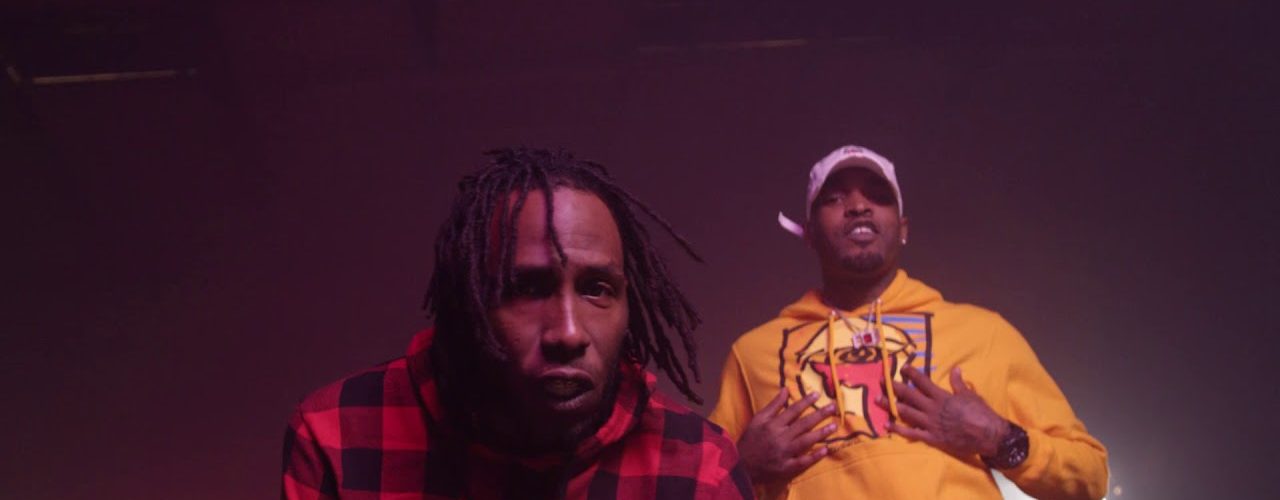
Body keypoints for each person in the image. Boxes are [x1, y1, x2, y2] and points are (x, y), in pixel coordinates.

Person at [283, 148, 752, 500]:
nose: (568, 333)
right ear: (466, 303)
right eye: (527, 288)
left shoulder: (698, 466)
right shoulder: (339, 434)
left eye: (596, 289)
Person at [708, 145, 1108, 499]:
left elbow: (1090, 477)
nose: (858, 206)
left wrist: (996, 437)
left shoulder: (983, 333)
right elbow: (690, 484)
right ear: (810, 234)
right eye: (834, 198)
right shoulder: (753, 354)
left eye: (878, 196)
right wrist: (742, 468)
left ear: (902, 229)